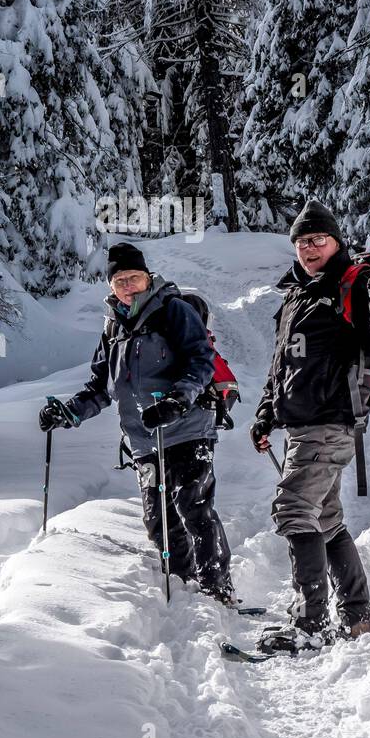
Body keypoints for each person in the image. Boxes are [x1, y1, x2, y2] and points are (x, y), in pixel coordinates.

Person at [38, 242, 237, 604]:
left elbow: (200, 359)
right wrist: (68, 413)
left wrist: (179, 400)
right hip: (145, 440)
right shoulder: (113, 327)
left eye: (134, 278)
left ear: (148, 278)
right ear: (111, 287)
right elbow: (101, 387)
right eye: (119, 281)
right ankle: (181, 584)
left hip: (188, 428)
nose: (128, 286)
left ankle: (216, 588)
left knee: (193, 506)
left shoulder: (172, 310)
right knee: (158, 519)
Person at [250, 199, 370, 648]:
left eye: (318, 239)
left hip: (330, 420)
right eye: (301, 242)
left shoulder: (351, 285)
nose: (310, 247)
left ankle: (310, 624)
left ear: (336, 241)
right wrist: (265, 414)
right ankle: (357, 616)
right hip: (303, 425)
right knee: (325, 520)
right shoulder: (298, 295)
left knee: (294, 509)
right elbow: (282, 366)